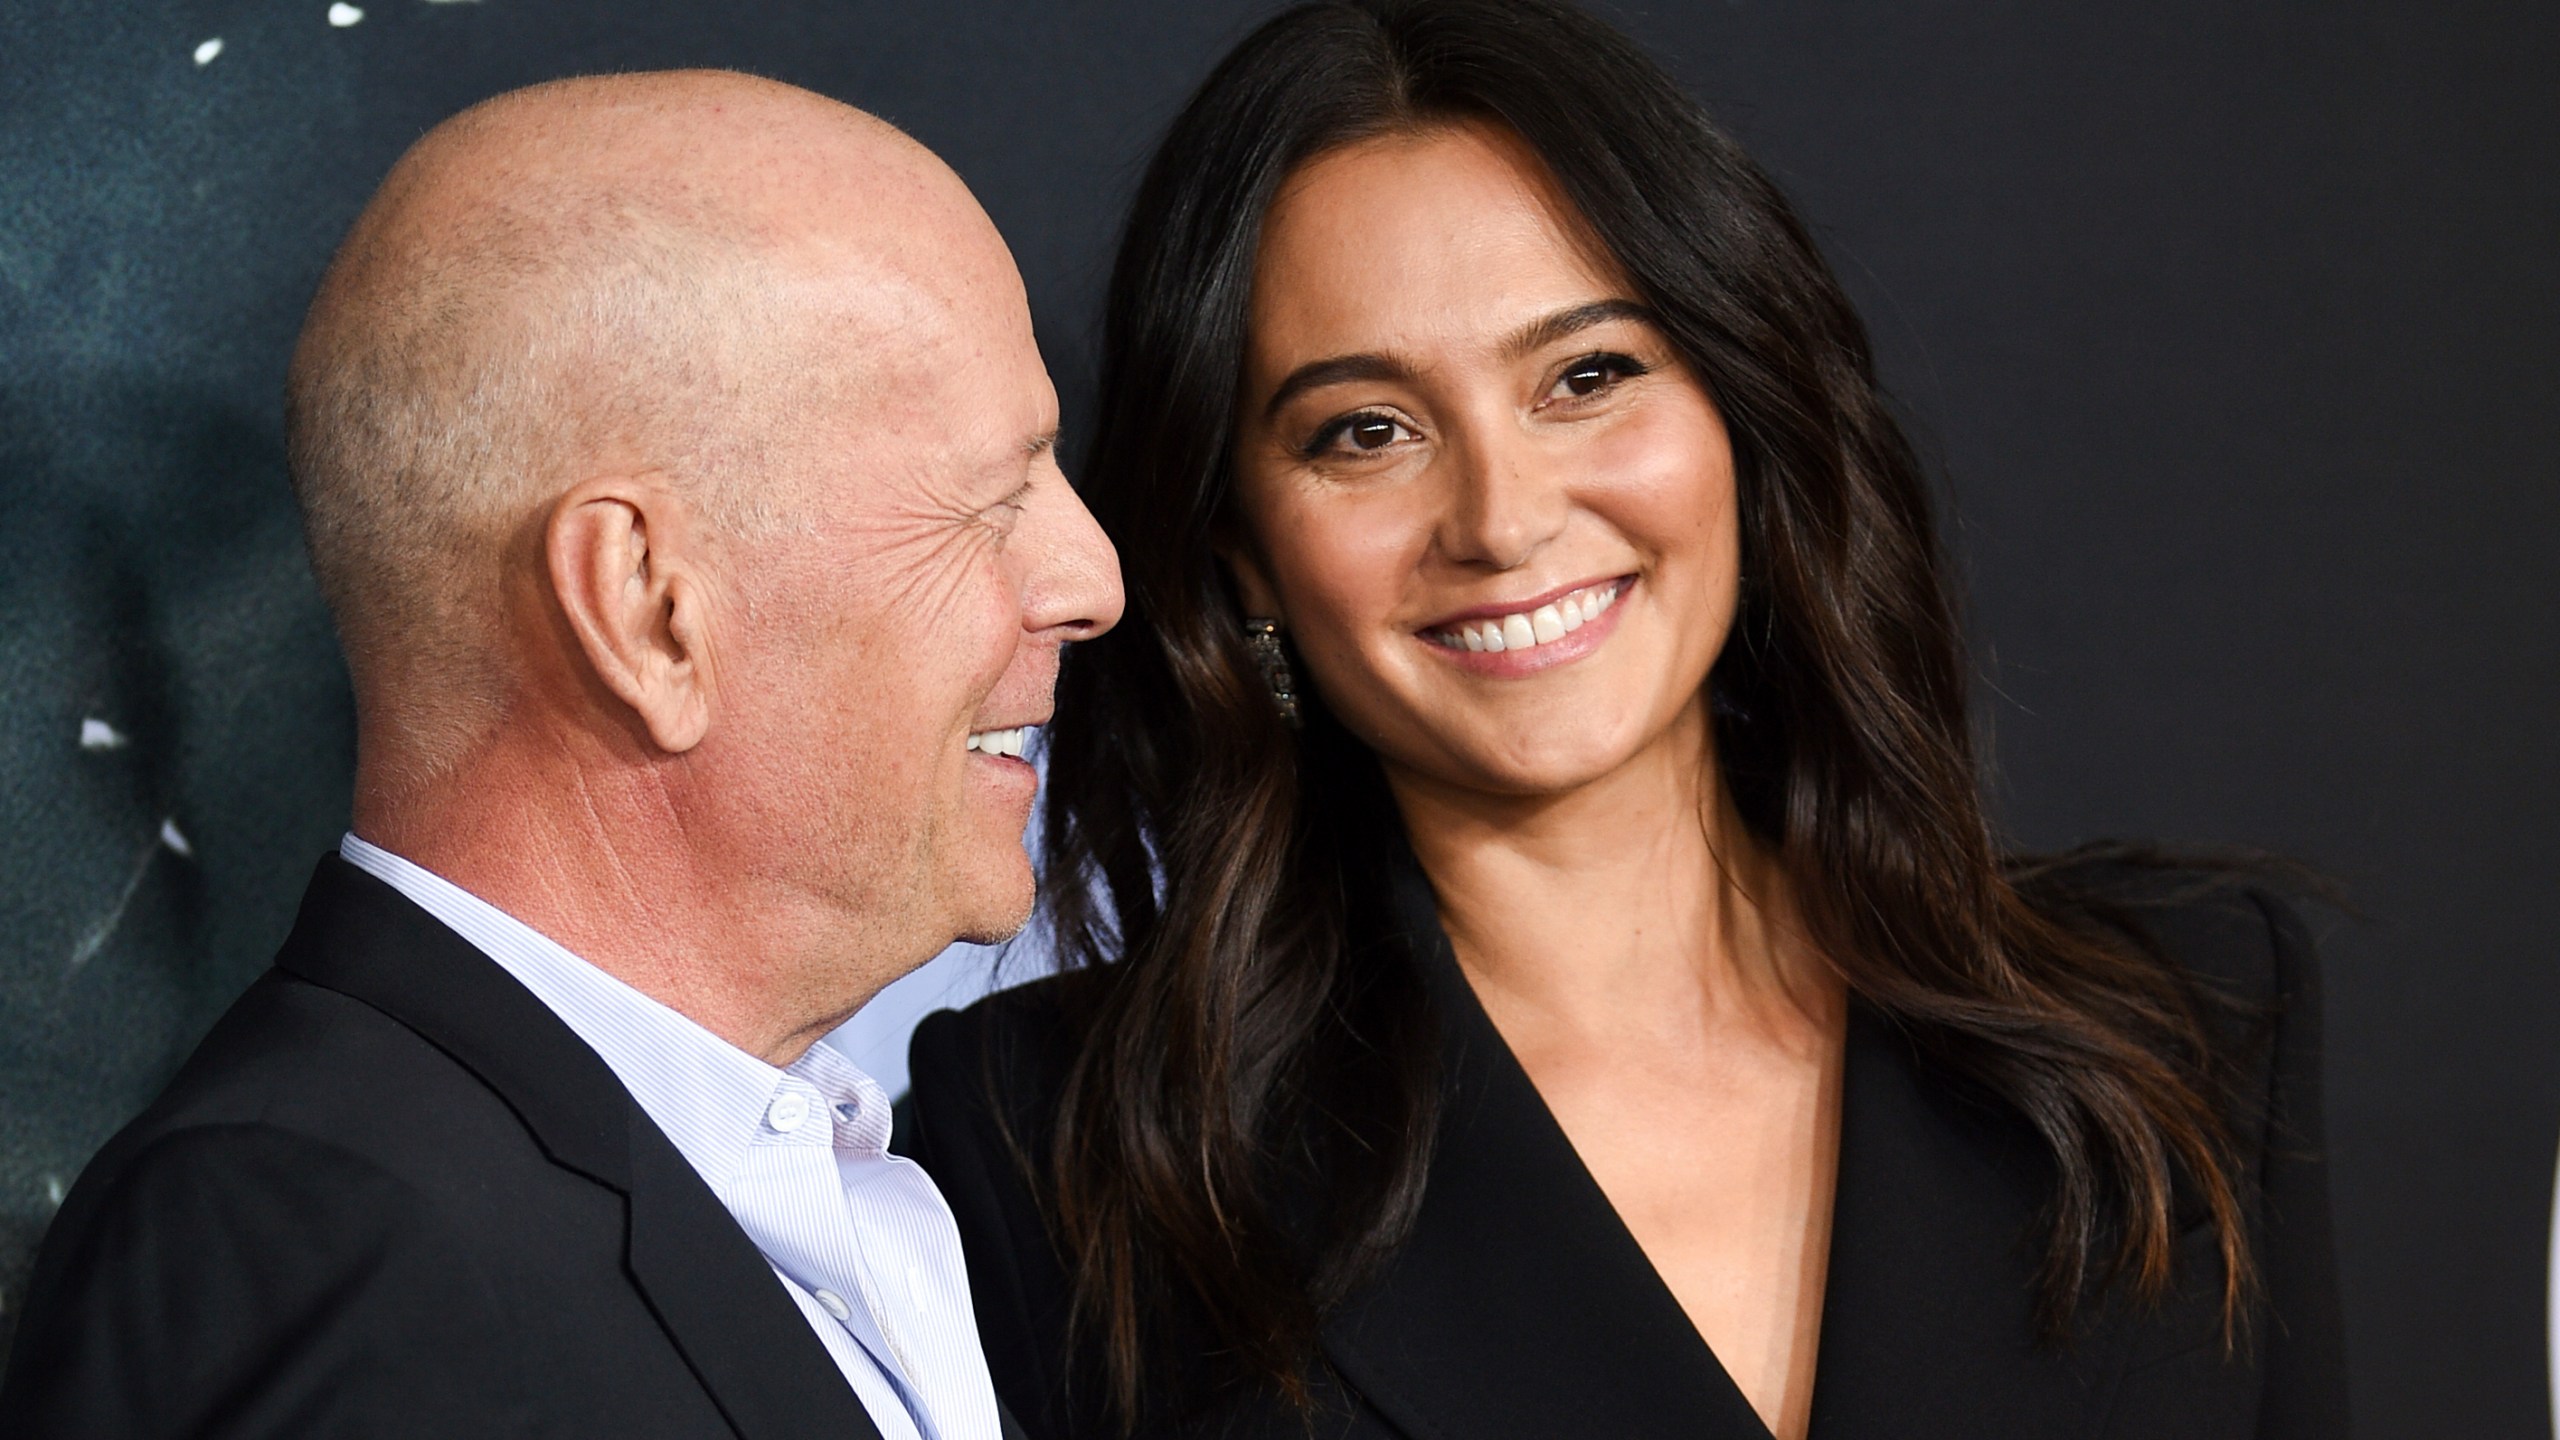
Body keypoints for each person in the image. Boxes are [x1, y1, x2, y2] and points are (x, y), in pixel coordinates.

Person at [901, 3, 2346, 1438]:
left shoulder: (2181, 1018)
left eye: (1587, 377)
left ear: (1743, 414)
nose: (1504, 519)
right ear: (1245, 561)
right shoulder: (1070, 1150)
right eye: (1366, 430)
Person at [0, 71, 1120, 1439]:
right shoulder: (311, 1252)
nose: (1092, 579)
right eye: (991, 496)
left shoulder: (789, 1199)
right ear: (647, 612)